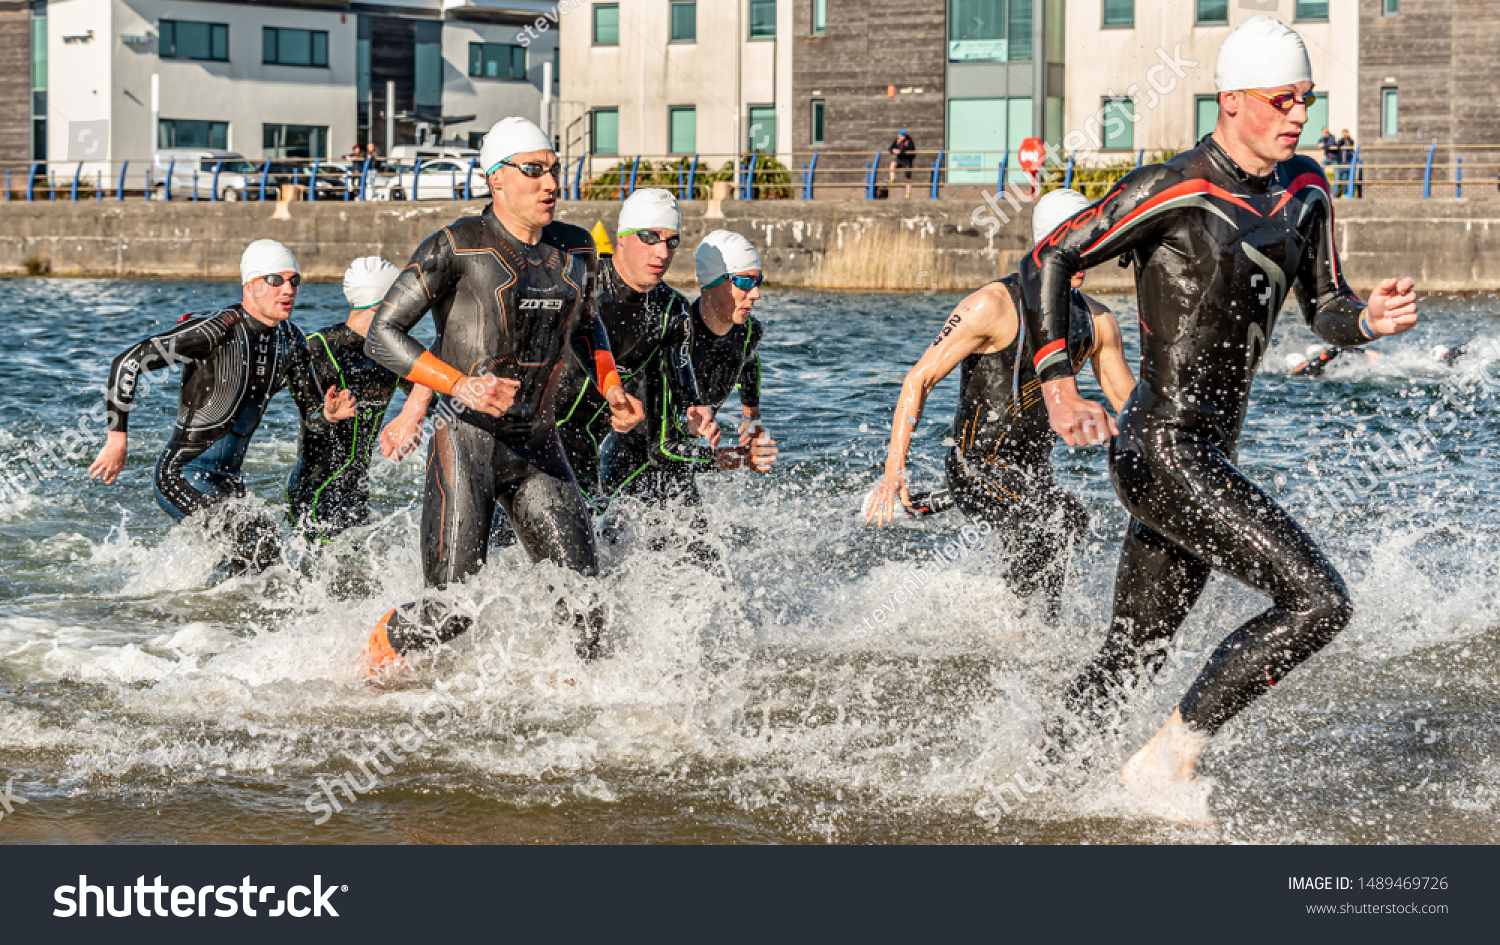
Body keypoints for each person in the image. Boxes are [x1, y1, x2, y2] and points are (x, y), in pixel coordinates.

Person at [1020, 16, 1419, 797]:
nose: (1298, 115)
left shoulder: (1307, 189)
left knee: (1134, 649)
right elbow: (1051, 254)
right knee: (1317, 600)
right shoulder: (1176, 186)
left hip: (1208, 455)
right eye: (1282, 100)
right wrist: (1059, 383)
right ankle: (1168, 758)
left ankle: (1038, 787)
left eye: (1306, 98)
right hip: (1160, 449)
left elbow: (1325, 304)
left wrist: (1365, 320)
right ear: (1232, 101)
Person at [362, 116, 644, 672]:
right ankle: (372, 656)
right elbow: (382, 335)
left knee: (586, 610)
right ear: (496, 178)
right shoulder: (456, 245)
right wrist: (459, 384)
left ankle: (577, 718)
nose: (550, 184)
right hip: (466, 445)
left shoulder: (576, 249)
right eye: (533, 171)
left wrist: (611, 387)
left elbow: (587, 328)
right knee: (451, 612)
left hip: (538, 447)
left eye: (555, 170)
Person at [866, 189, 1135, 623]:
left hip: (1032, 470)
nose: (1084, 259)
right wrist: (893, 468)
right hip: (974, 463)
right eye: (1074, 246)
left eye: (1090, 245)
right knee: (1056, 517)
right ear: (1047, 246)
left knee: (1063, 521)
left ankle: (1034, 625)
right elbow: (919, 379)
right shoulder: (990, 306)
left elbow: (1131, 408)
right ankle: (1018, 625)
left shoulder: (1098, 321)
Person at [88, 240, 354, 576]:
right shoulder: (216, 330)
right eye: (276, 280)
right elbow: (127, 363)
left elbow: (312, 416)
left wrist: (329, 414)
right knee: (256, 544)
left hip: (229, 483)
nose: (288, 290)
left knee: (266, 559)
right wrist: (116, 438)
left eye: (294, 281)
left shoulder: (292, 340)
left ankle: (204, 617)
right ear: (250, 285)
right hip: (180, 476)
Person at [599, 230, 777, 516]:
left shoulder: (747, 332)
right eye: (743, 282)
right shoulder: (672, 341)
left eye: (758, 281)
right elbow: (662, 450)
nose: (755, 294)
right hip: (629, 476)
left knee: (706, 559)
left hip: (680, 473)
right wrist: (739, 459)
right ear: (710, 283)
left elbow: (748, 362)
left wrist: (751, 418)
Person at [555, 189, 714, 504]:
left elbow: (684, 392)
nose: (662, 254)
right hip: (535, 434)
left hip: (588, 443)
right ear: (622, 238)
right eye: (649, 237)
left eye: (671, 242)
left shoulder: (672, 310)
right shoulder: (577, 282)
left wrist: (696, 415)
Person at [287, 257, 429, 540]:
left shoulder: (393, 351)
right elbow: (311, 418)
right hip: (314, 491)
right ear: (383, 304)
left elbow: (437, 397)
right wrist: (328, 415)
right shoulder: (317, 346)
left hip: (358, 492)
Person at [888, 129, 917, 200]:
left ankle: (907, 195)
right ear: (898, 135)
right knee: (892, 164)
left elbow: (910, 149)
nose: (902, 137)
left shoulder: (909, 141)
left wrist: (900, 151)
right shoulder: (897, 141)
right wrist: (893, 150)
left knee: (908, 179)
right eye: (901, 135)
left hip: (907, 160)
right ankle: (892, 179)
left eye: (903, 135)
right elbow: (890, 148)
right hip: (900, 159)